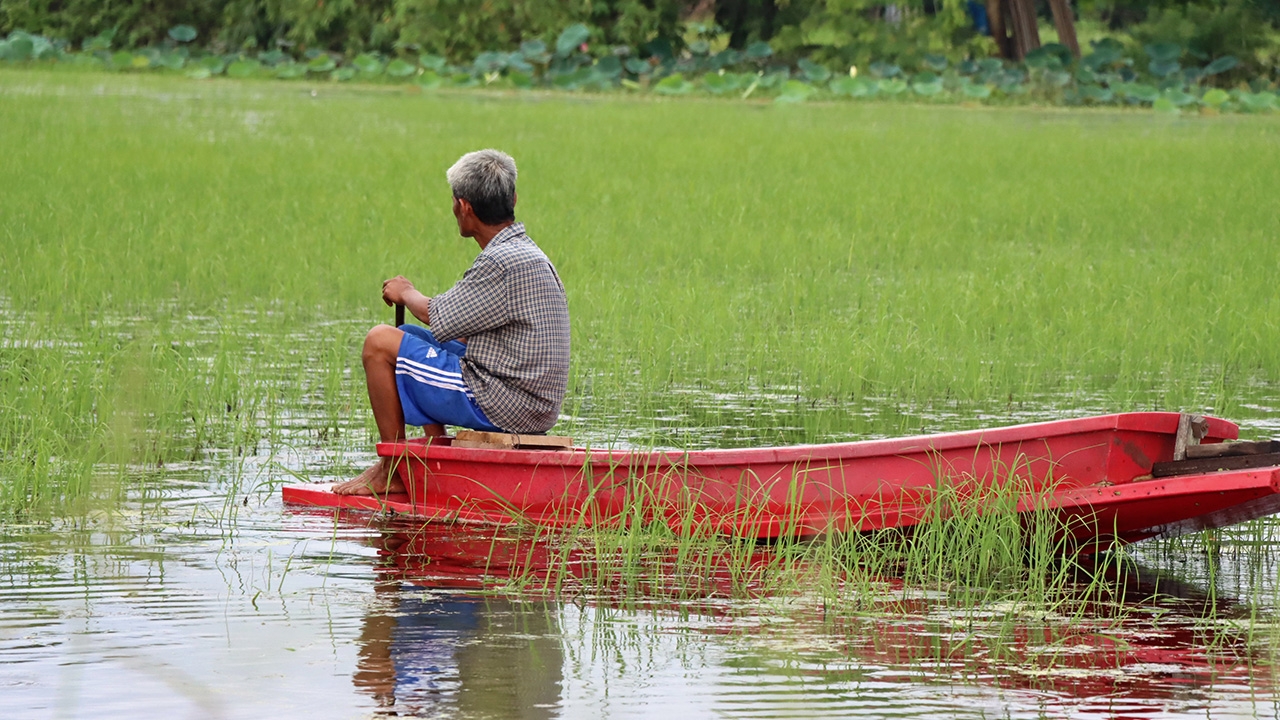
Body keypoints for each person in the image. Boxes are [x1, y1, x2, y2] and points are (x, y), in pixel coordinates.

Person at [334, 149, 570, 496]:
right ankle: (433, 460)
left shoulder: (501, 261)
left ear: (465, 208)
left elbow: (438, 315)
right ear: (513, 199)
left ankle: (393, 469)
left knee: (380, 342)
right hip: (531, 405)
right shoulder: (525, 251)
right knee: (410, 336)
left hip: (506, 405)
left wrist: (406, 291)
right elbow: (452, 328)